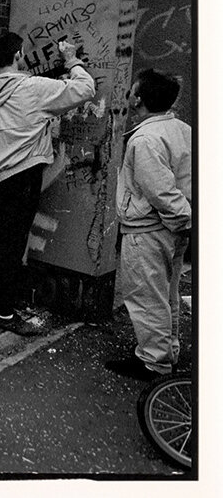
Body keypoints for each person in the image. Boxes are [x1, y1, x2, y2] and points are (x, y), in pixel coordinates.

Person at [0, 31, 96, 335]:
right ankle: (4, 312)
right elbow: (85, 88)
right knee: (11, 247)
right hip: (18, 179)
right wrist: (72, 59)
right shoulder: (32, 88)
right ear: (19, 54)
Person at [106, 69, 192, 381]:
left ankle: (153, 363)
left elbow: (161, 192)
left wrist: (181, 220)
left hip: (150, 231)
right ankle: (167, 353)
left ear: (139, 99)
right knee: (165, 295)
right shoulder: (181, 129)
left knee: (146, 297)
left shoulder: (145, 139)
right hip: (171, 230)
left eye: (132, 90)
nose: (127, 94)